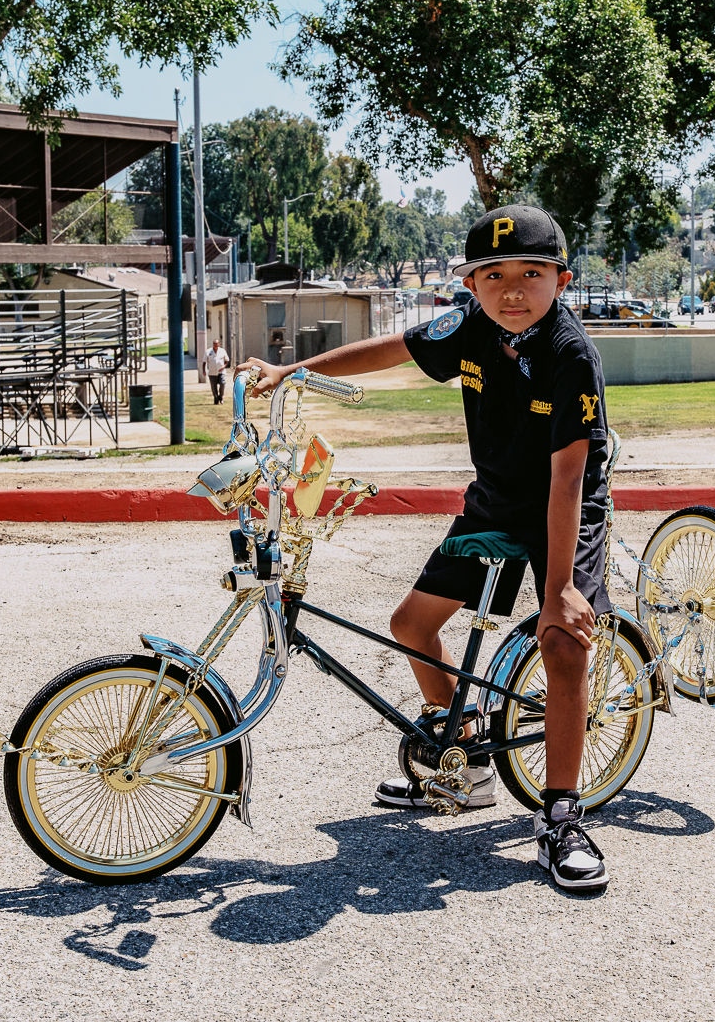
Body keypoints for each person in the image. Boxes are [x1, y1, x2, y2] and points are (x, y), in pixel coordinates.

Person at [237, 205, 611, 891]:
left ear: (561, 279)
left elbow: (567, 478)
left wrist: (559, 587)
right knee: (412, 624)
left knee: (562, 641)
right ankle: (462, 766)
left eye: (531, 274)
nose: (511, 289)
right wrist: (295, 371)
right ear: (472, 285)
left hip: (566, 507)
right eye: (492, 275)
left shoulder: (570, 355)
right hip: (496, 497)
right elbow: (391, 348)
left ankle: (561, 815)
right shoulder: (469, 326)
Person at [203, 339, 231, 404]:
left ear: (219, 344)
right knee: (213, 387)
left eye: (217, 343)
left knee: (222, 383)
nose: (215, 344)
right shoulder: (208, 352)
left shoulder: (222, 351)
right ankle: (216, 398)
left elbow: (227, 360)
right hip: (212, 372)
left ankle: (221, 397)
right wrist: (204, 370)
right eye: (214, 343)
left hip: (221, 372)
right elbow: (204, 362)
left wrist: (224, 366)